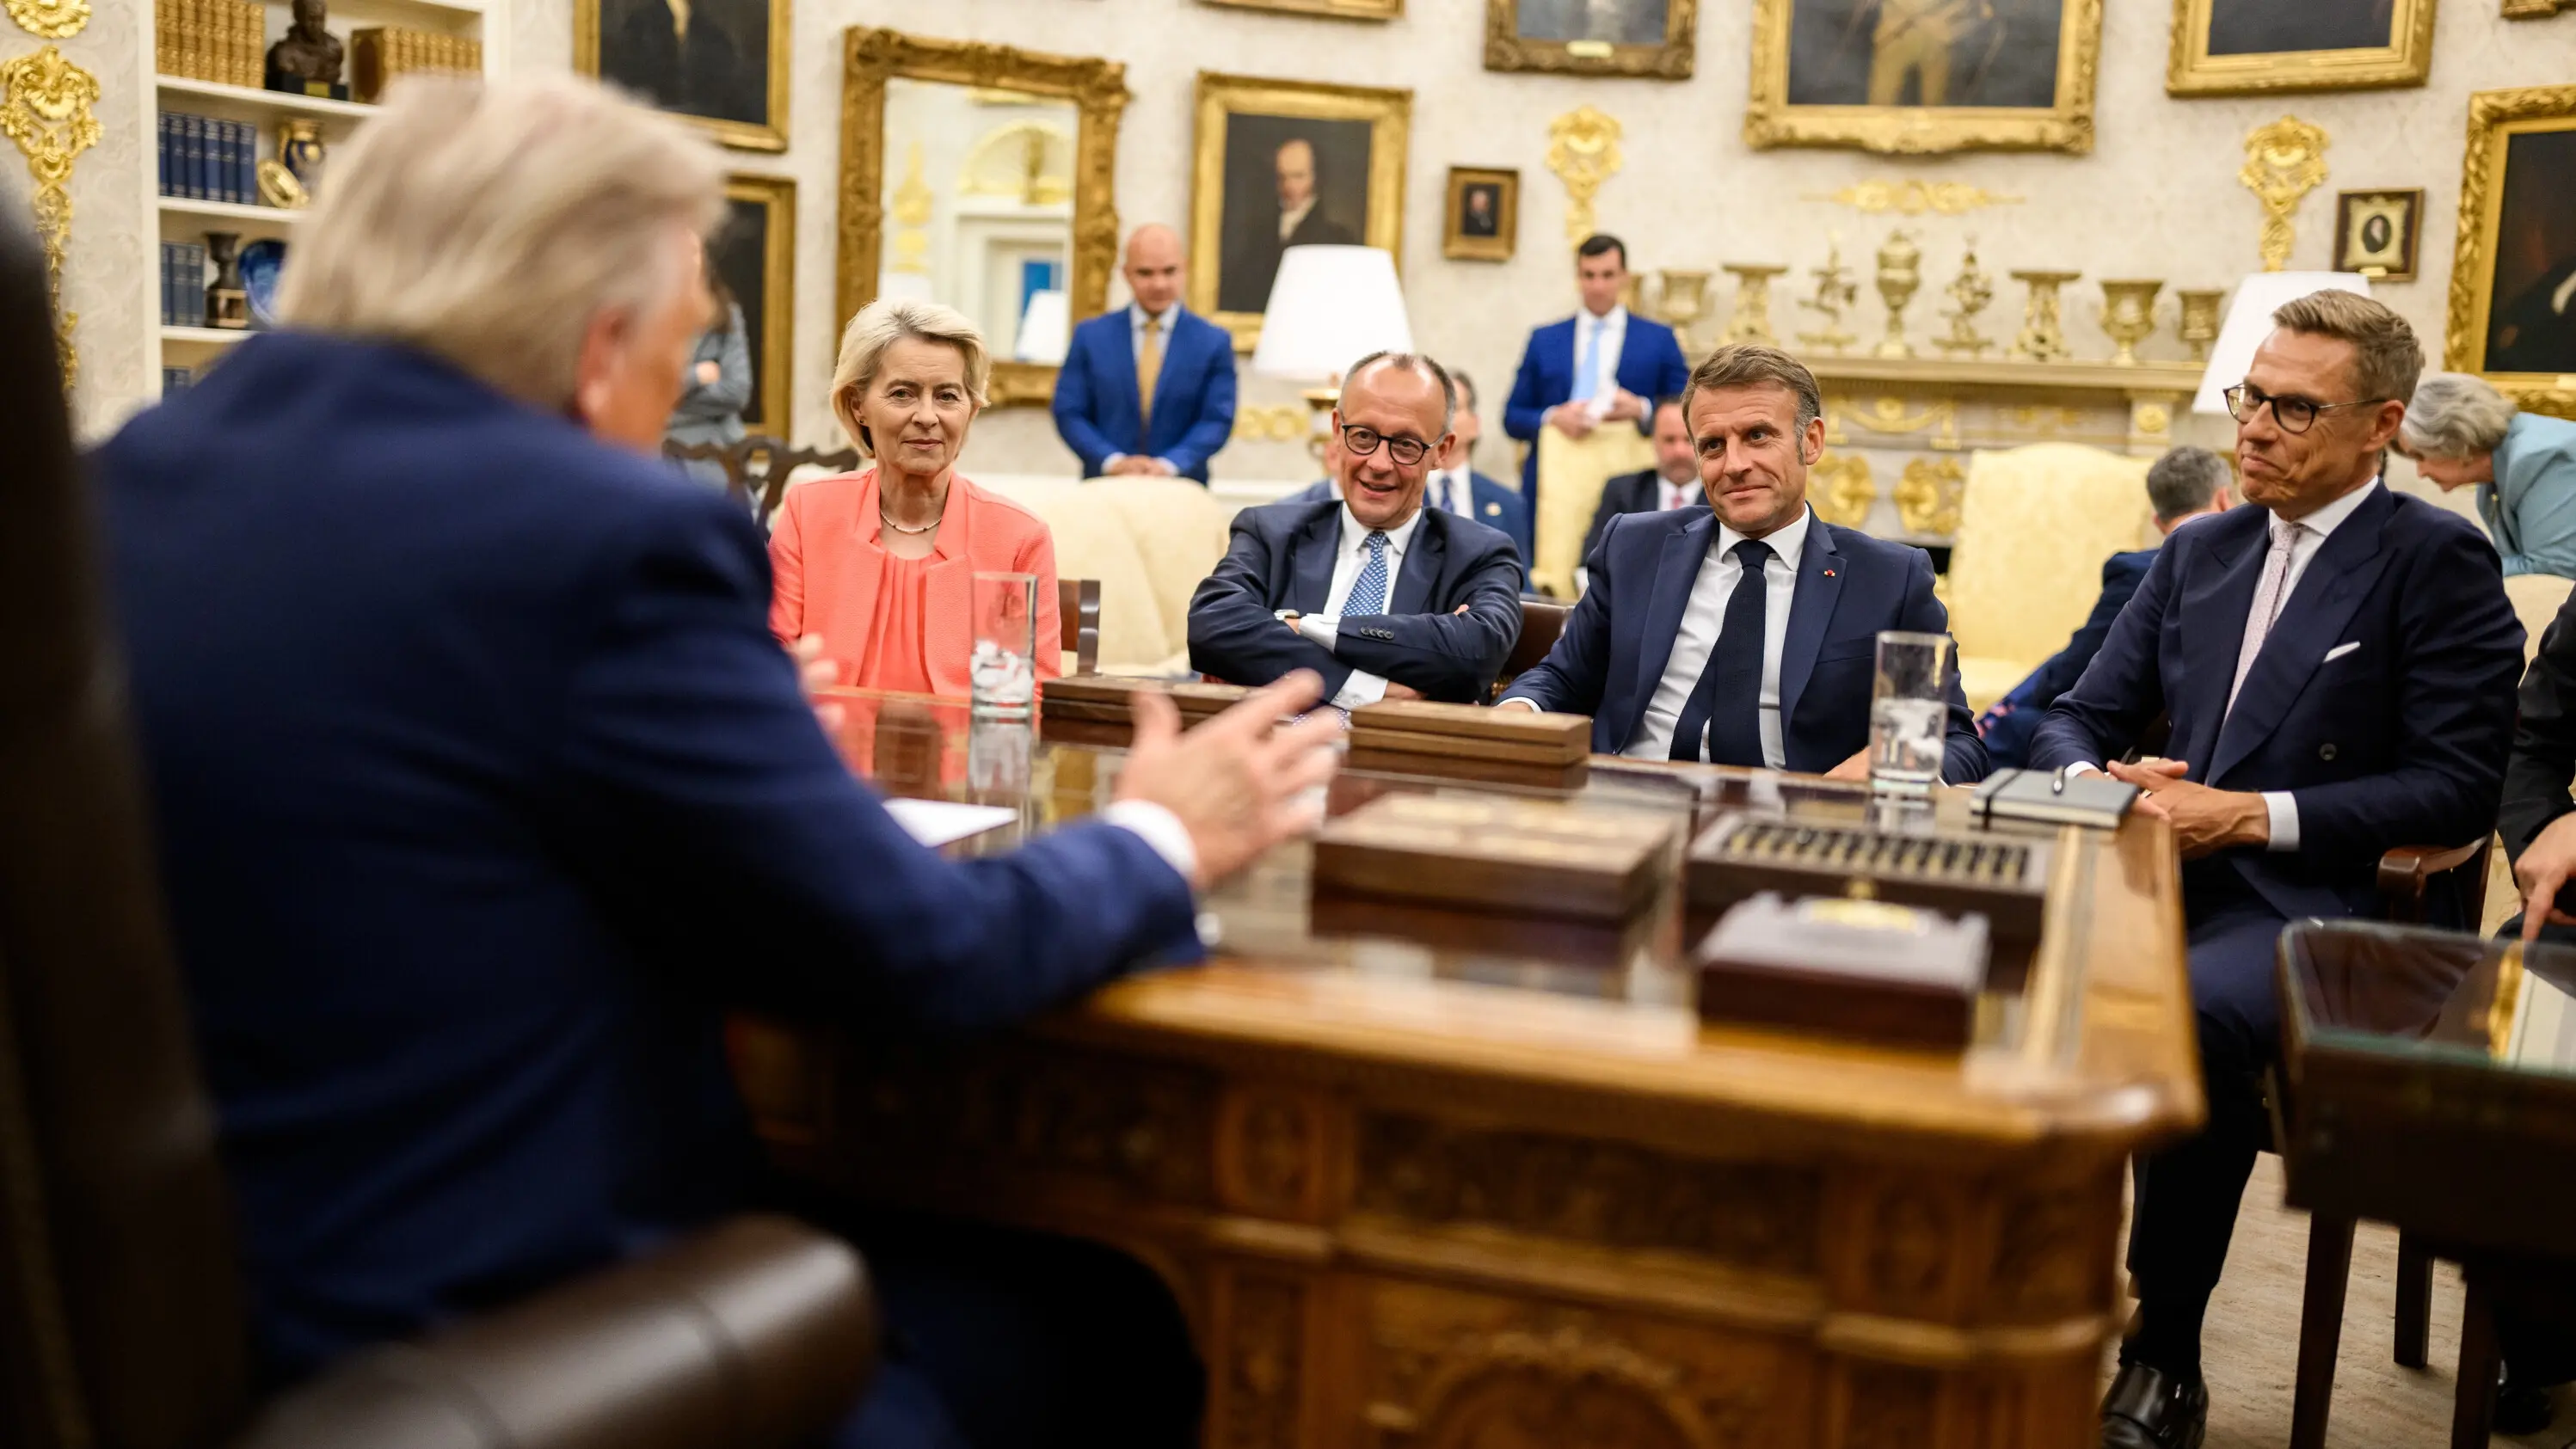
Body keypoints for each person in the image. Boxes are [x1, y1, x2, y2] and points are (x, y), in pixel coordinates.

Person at [89, 71, 1345, 1448]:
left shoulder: (116, 487)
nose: (687, 384)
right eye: (683, 350)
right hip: (489, 1325)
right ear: (595, 342)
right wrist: (1160, 833)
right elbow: (919, 956)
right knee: (1121, 1317)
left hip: (161, 1324)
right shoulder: (599, 537)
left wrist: (721, 745)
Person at [2026, 291, 2524, 1449]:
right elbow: (2071, 714)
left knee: (2184, 1013)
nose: (2251, 426)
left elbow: (2453, 791)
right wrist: (2095, 774)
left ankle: (2162, 1350)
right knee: (1963, 952)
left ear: (2378, 426)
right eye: (2248, 397)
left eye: (2291, 408)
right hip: (2145, 869)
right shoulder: (2196, 548)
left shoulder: (2437, 560)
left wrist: (2250, 815)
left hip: (2323, 900)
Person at [1500, 343, 1989, 783]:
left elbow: (1957, 741)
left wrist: (1882, 765)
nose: (1733, 464)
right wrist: (1517, 711)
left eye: (1757, 436)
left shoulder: (1888, 579)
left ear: (1811, 442)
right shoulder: (1633, 548)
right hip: (1626, 802)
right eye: (1712, 445)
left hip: (1790, 828)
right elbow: (1563, 678)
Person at [1189, 352, 1523, 706]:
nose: (1378, 463)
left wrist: (1309, 628)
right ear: (1336, 429)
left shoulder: (1479, 553)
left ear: (1441, 451)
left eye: (1406, 445)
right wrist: (1364, 688)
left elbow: (1475, 653)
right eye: (1363, 436)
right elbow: (1212, 626)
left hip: (1400, 755)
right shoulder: (1270, 531)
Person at [770, 297, 1062, 696]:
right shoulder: (808, 514)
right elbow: (768, 661)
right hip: (829, 752)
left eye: (947, 396)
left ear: (971, 411)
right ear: (858, 405)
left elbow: (1028, 699)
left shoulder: (1017, 538)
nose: (927, 416)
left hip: (963, 756)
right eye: (903, 393)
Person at [1974, 446, 2235, 769]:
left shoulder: (2141, 570)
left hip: (2130, 731)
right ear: (2224, 500)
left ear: (2157, 519)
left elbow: (2072, 673)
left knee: (2027, 722)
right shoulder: (2256, 568)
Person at [1502, 234, 1692, 507]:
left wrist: (1641, 408)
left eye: (1607, 275)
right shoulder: (1545, 340)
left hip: (1631, 480)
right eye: (1589, 275)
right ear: (1577, 277)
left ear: (1624, 277)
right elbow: (1512, 417)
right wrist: (1553, 416)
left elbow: (1688, 409)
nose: (1598, 285)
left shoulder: (1658, 339)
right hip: (1556, 482)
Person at [1286, 368, 1532, 572]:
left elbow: (1521, 595)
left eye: (1453, 409)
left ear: (1474, 425)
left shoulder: (1508, 504)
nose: (1379, 463)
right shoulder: (1391, 490)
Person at [1050, 224, 1238, 483]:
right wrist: (1113, 461)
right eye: (1146, 273)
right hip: (1104, 490)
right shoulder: (1090, 336)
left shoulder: (1213, 341)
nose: (1159, 284)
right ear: (1126, 274)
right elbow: (1069, 412)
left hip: (1182, 490)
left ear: (1185, 268)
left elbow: (1217, 419)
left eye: (1169, 271)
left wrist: (1170, 464)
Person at [2401, 371, 2576, 580]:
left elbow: (2555, 571)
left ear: (2456, 437)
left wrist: (2450, 573)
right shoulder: (2492, 478)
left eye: (2421, 456)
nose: (2421, 472)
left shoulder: (2541, 460)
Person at [1220, 138, 1356, 315]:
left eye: (1298, 176)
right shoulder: (1257, 233)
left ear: (1316, 177)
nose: (1289, 186)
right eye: (1282, 177)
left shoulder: (1336, 237)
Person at [1579, 394, 1700, 572]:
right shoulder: (1622, 492)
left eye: (1688, 440)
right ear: (1653, 442)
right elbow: (1590, 563)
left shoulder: (1723, 495)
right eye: (1669, 440)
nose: (1679, 452)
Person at [665, 247, 753, 489]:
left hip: (719, 455)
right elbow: (642, 391)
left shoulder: (726, 313)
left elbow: (736, 391)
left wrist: (671, 403)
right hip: (658, 455)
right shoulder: (641, 315)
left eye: (692, 250)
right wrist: (696, 375)